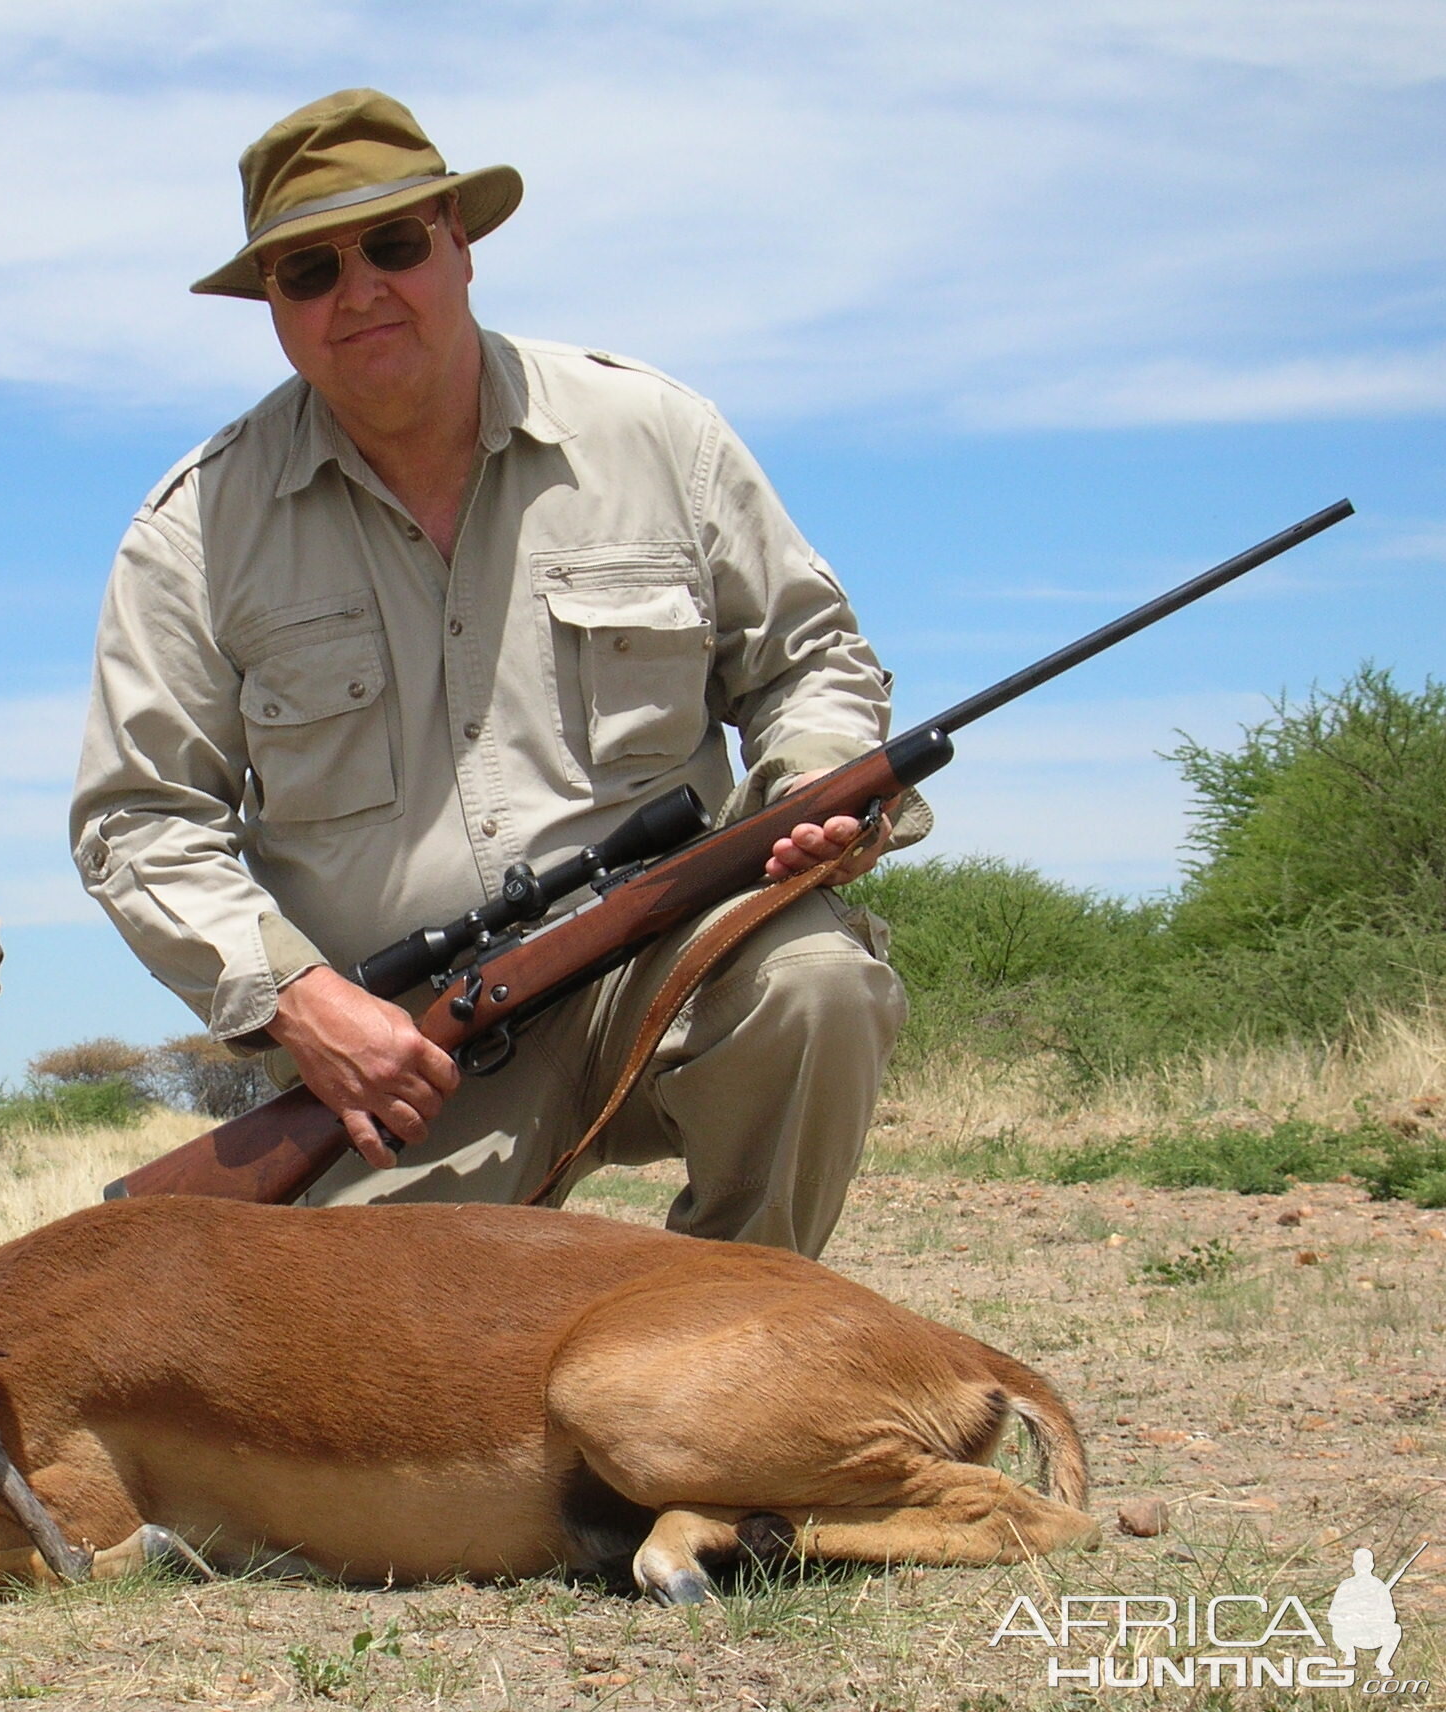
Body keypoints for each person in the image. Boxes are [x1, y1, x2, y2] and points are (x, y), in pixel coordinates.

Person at [72, 88, 924, 1257]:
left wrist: (806, 792)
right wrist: (300, 1000)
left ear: (458, 244)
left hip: (666, 956)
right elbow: (137, 816)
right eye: (308, 270)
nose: (358, 290)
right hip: (405, 1052)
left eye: (391, 243)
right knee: (355, 1399)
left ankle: (727, 1360)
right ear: (269, 302)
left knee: (813, 983)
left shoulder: (654, 432)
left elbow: (809, 657)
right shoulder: (194, 529)